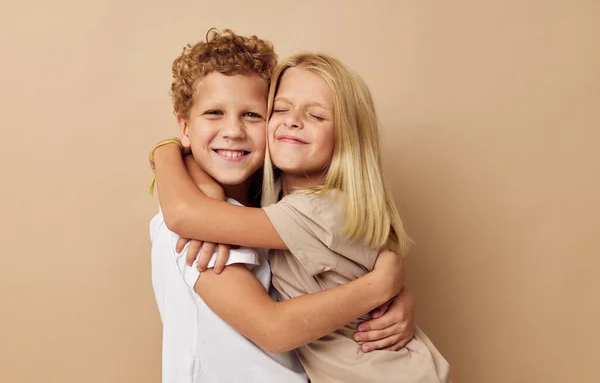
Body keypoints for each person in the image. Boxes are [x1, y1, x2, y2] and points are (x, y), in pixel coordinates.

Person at [152, 49, 450, 382]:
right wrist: (383, 286)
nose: (234, 130)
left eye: (253, 115)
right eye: (281, 109)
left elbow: (186, 213)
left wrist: (168, 152)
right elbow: (186, 212)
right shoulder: (260, 205)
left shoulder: (314, 210)